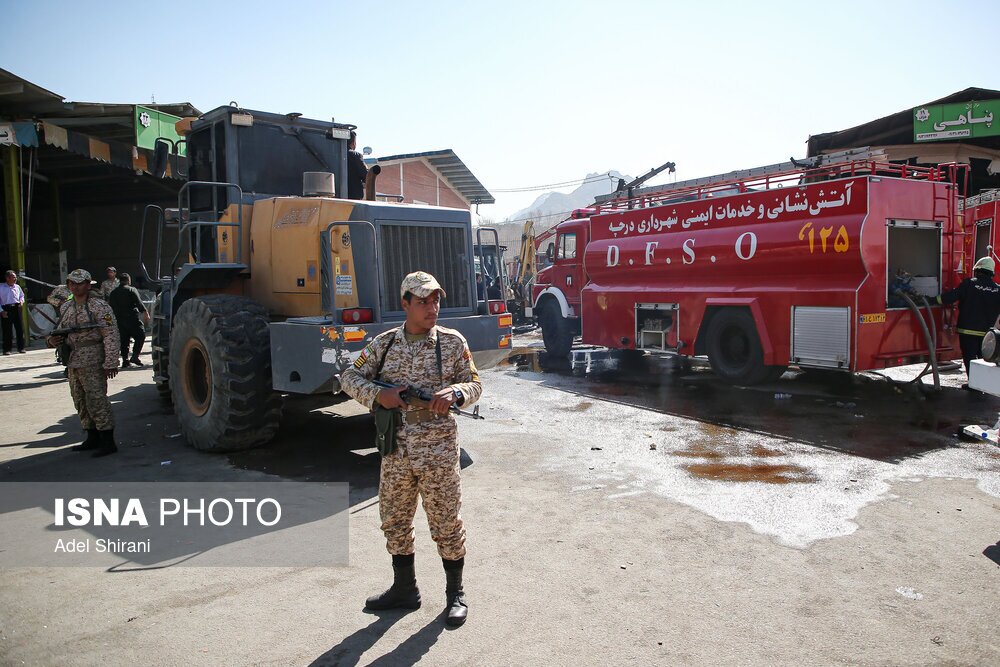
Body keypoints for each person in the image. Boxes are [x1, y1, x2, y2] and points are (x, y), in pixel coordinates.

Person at [340, 271, 482, 627]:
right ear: (405, 304)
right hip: (396, 448)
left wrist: (457, 393)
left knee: (446, 522)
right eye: (422, 302)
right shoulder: (385, 343)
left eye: (435, 301)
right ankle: (405, 589)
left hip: (438, 448)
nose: (432, 308)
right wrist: (380, 396)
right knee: (394, 520)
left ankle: (455, 594)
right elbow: (349, 377)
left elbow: (475, 383)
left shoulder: (452, 342)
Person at [47, 269, 121, 457]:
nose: (75, 287)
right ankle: (92, 436)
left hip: (93, 359)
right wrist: (51, 340)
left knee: (97, 399)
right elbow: (59, 329)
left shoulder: (99, 306)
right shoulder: (66, 307)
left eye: (79, 283)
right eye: (72, 283)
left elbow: (110, 334)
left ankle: (108, 440)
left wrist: (111, 362)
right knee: (79, 400)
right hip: (73, 360)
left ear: (88, 285)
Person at [937, 256, 1000, 383]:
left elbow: (950, 297)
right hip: (987, 334)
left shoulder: (969, 284)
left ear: (977, 271)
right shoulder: (998, 289)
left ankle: (974, 384)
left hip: (967, 331)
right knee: (985, 359)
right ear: (991, 273)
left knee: (969, 358)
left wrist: (934, 299)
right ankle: (985, 384)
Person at [107, 272, 149, 367]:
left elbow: (110, 306)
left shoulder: (113, 292)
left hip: (119, 319)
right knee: (140, 336)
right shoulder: (131, 289)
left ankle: (125, 360)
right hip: (132, 318)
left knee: (124, 340)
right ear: (128, 280)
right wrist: (145, 312)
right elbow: (138, 302)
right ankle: (135, 356)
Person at [0, 270, 26, 354]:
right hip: (6, 308)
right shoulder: (1, 287)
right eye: (13, 277)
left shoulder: (17, 287)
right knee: (7, 330)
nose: (15, 279)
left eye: (15, 277)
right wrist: (1, 311)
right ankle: (7, 349)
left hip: (16, 308)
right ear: (7, 278)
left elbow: (22, 295)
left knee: (20, 329)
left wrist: (21, 301)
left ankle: (21, 348)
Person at [346, 130, 368, 200]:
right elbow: (366, 176)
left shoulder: (333, 154)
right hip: (353, 197)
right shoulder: (356, 155)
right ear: (353, 142)